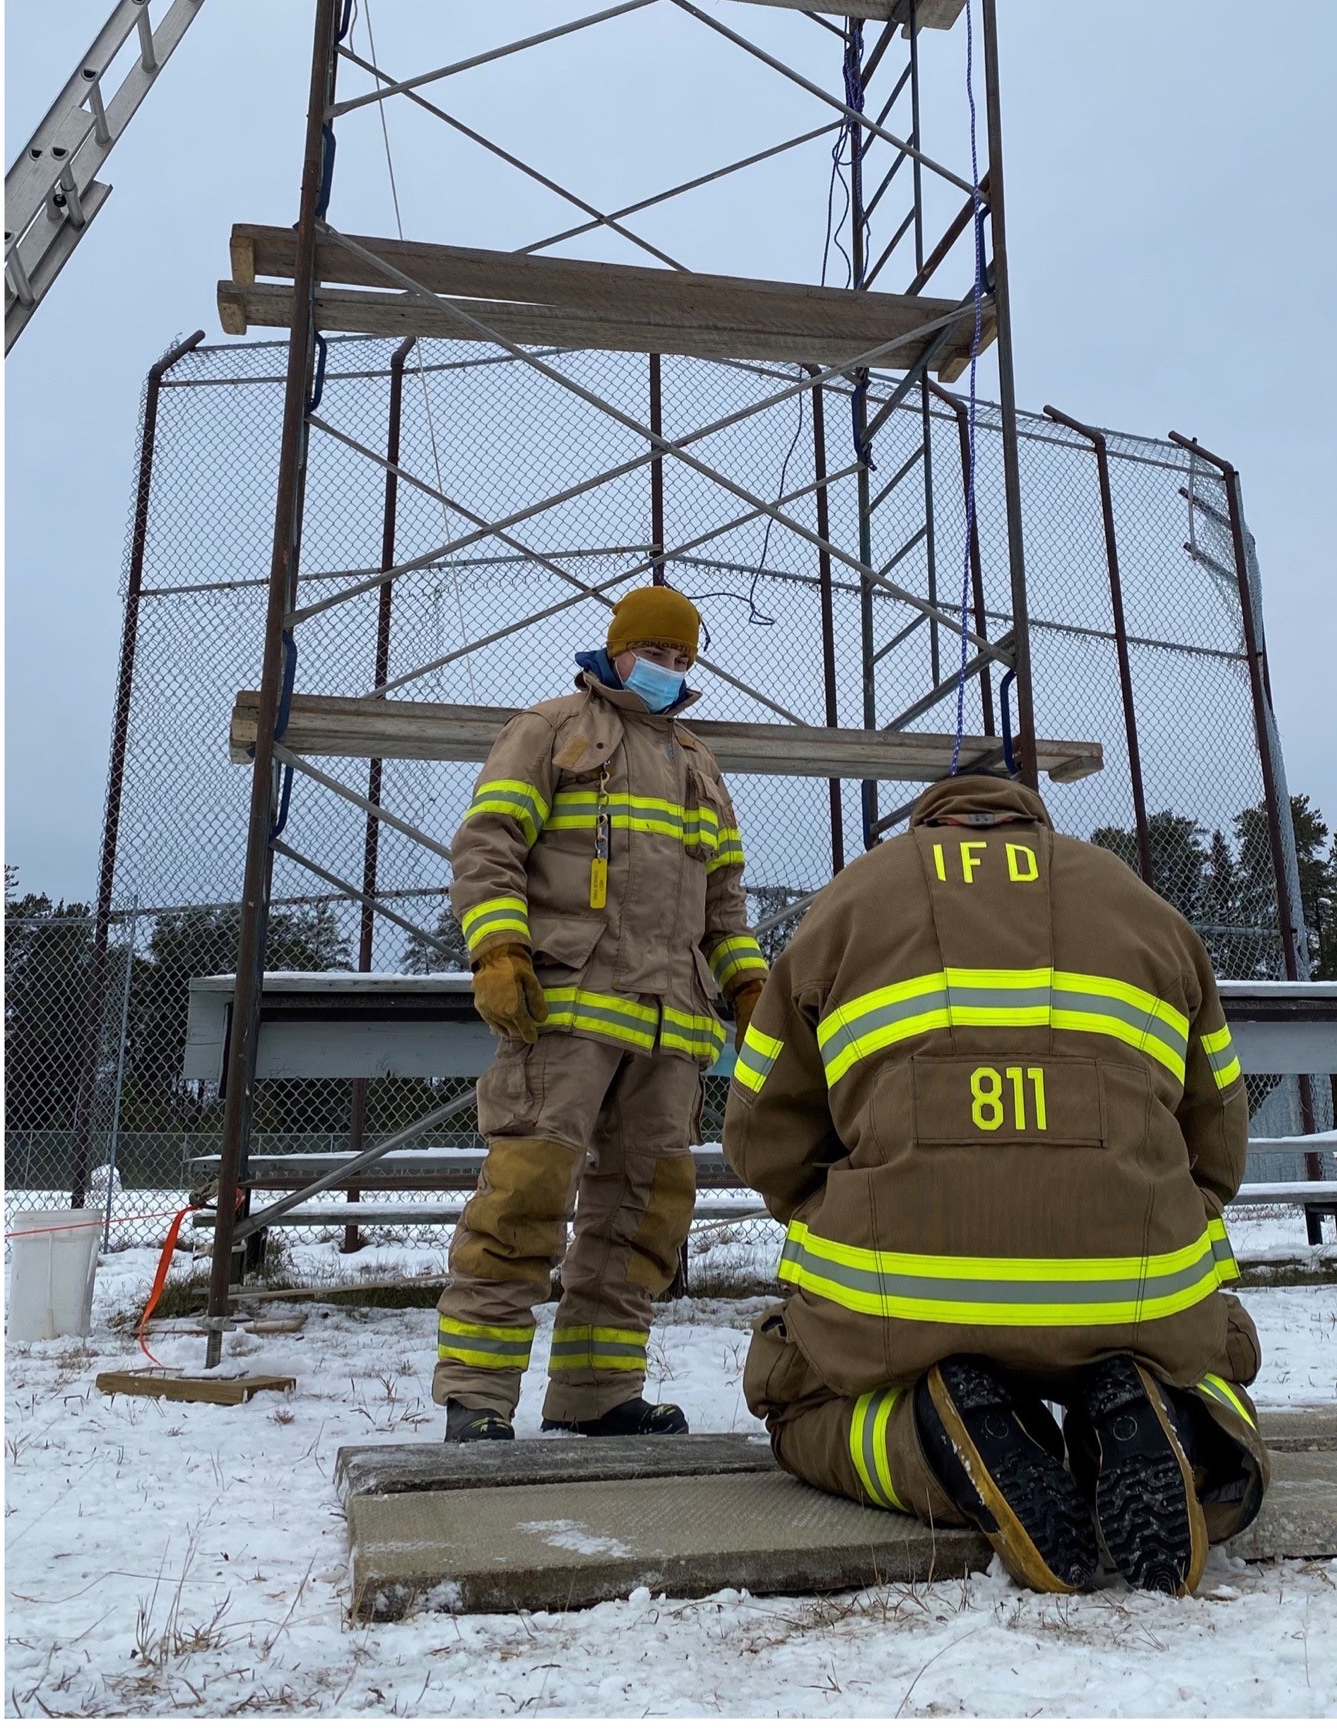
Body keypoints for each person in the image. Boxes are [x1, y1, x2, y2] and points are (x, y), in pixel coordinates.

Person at [723, 758, 1271, 1596]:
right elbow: (1222, 1131)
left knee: (794, 1399)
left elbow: (761, 1128)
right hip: (1129, 1289)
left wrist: (840, 1203)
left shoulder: (846, 905)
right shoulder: (1144, 910)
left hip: (899, 1295)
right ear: (1031, 819)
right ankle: (1187, 1432)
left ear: (927, 823)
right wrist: (1148, 1209)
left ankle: (938, 1440)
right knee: (1209, 1355)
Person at [439, 584, 771, 1442]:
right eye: (657, 654)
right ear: (616, 650)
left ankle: (596, 1390)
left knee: (644, 1211)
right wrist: (500, 950)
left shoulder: (699, 764)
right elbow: (490, 843)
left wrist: (749, 992)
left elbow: (725, 903)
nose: (669, 671)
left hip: (672, 1028)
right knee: (526, 1194)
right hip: (568, 1013)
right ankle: (477, 1395)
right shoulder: (553, 729)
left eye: (683, 660)